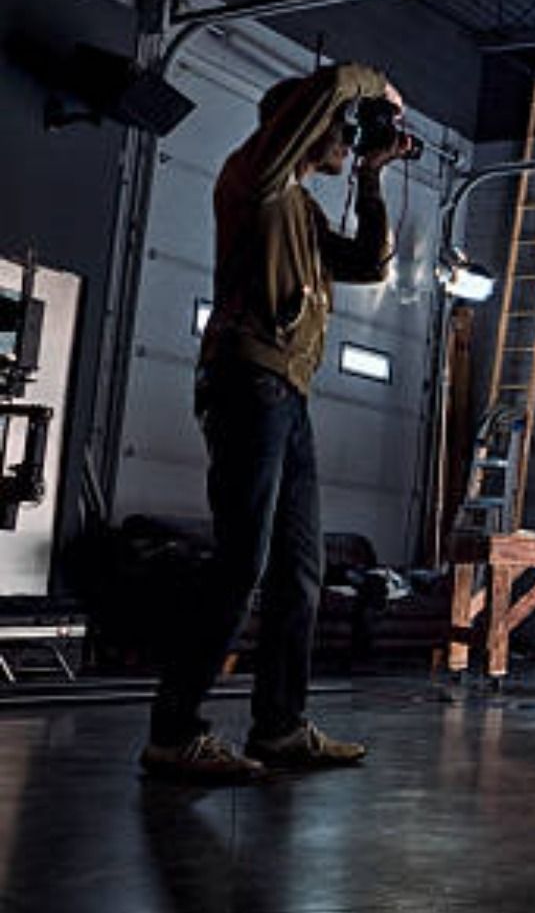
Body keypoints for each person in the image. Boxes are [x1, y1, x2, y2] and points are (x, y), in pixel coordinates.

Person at [142, 63, 407, 782]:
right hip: (246, 381)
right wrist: (369, 84)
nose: (349, 142)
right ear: (302, 125)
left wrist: (375, 179)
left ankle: (280, 727)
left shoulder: (305, 210)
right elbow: (321, 97)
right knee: (241, 562)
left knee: (301, 569)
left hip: (288, 394)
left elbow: (371, 266)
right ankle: (173, 732)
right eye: (343, 131)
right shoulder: (253, 178)